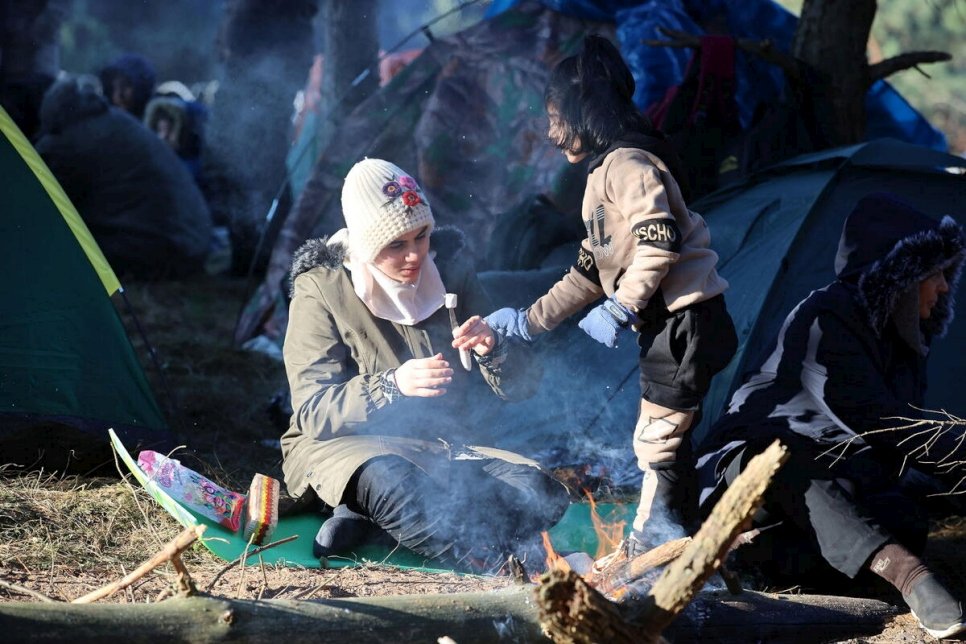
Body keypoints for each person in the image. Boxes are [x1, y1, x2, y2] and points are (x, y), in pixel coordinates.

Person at [487, 35, 737, 553]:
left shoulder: (628, 165)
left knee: (658, 443)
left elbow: (659, 243)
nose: (552, 131)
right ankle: (677, 542)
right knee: (669, 443)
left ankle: (653, 547)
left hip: (684, 321)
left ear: (583, 110)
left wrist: (621, 306)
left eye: (556, 115)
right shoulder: (604, 172)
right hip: (669, 326)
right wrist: (527, 321)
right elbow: (587, 269)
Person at [694, 193, 966, 640]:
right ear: (900, 275)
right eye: (934, 273)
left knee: (905, 516)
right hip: (751, 478)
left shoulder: (904, 341)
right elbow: (889, 425)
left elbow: (899, 447)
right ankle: (909, 577)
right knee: (779, 455)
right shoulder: (828, 317)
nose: (942, 287)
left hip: (831, 484)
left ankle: (760, 562)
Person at [280, 158, 570, 573]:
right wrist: (393, 384)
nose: (416, 255)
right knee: (396, 486)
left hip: (438, 444)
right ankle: (494, 565)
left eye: (421, 236)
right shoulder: (322, 289)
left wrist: (495, 350)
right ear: (365, 244)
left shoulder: (449, 270)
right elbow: (313, 413)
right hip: (348, 447)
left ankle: (373, 522)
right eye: (396, 245)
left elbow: (522, 387)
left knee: (541, 492)